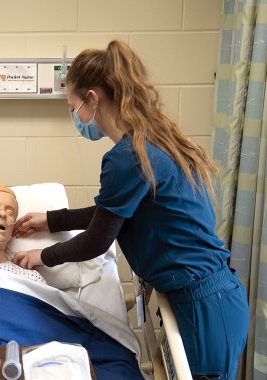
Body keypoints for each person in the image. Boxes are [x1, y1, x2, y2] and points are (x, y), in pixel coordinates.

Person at [12, 40, 249, 379]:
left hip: (204, 306)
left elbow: (97, 239)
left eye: (73, 107)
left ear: (92, 99)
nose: (76, 118)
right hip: (203, 297)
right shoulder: (150, 139)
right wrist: (52, 220)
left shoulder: (128, 157)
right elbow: (112, 212)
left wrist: (44, 256)